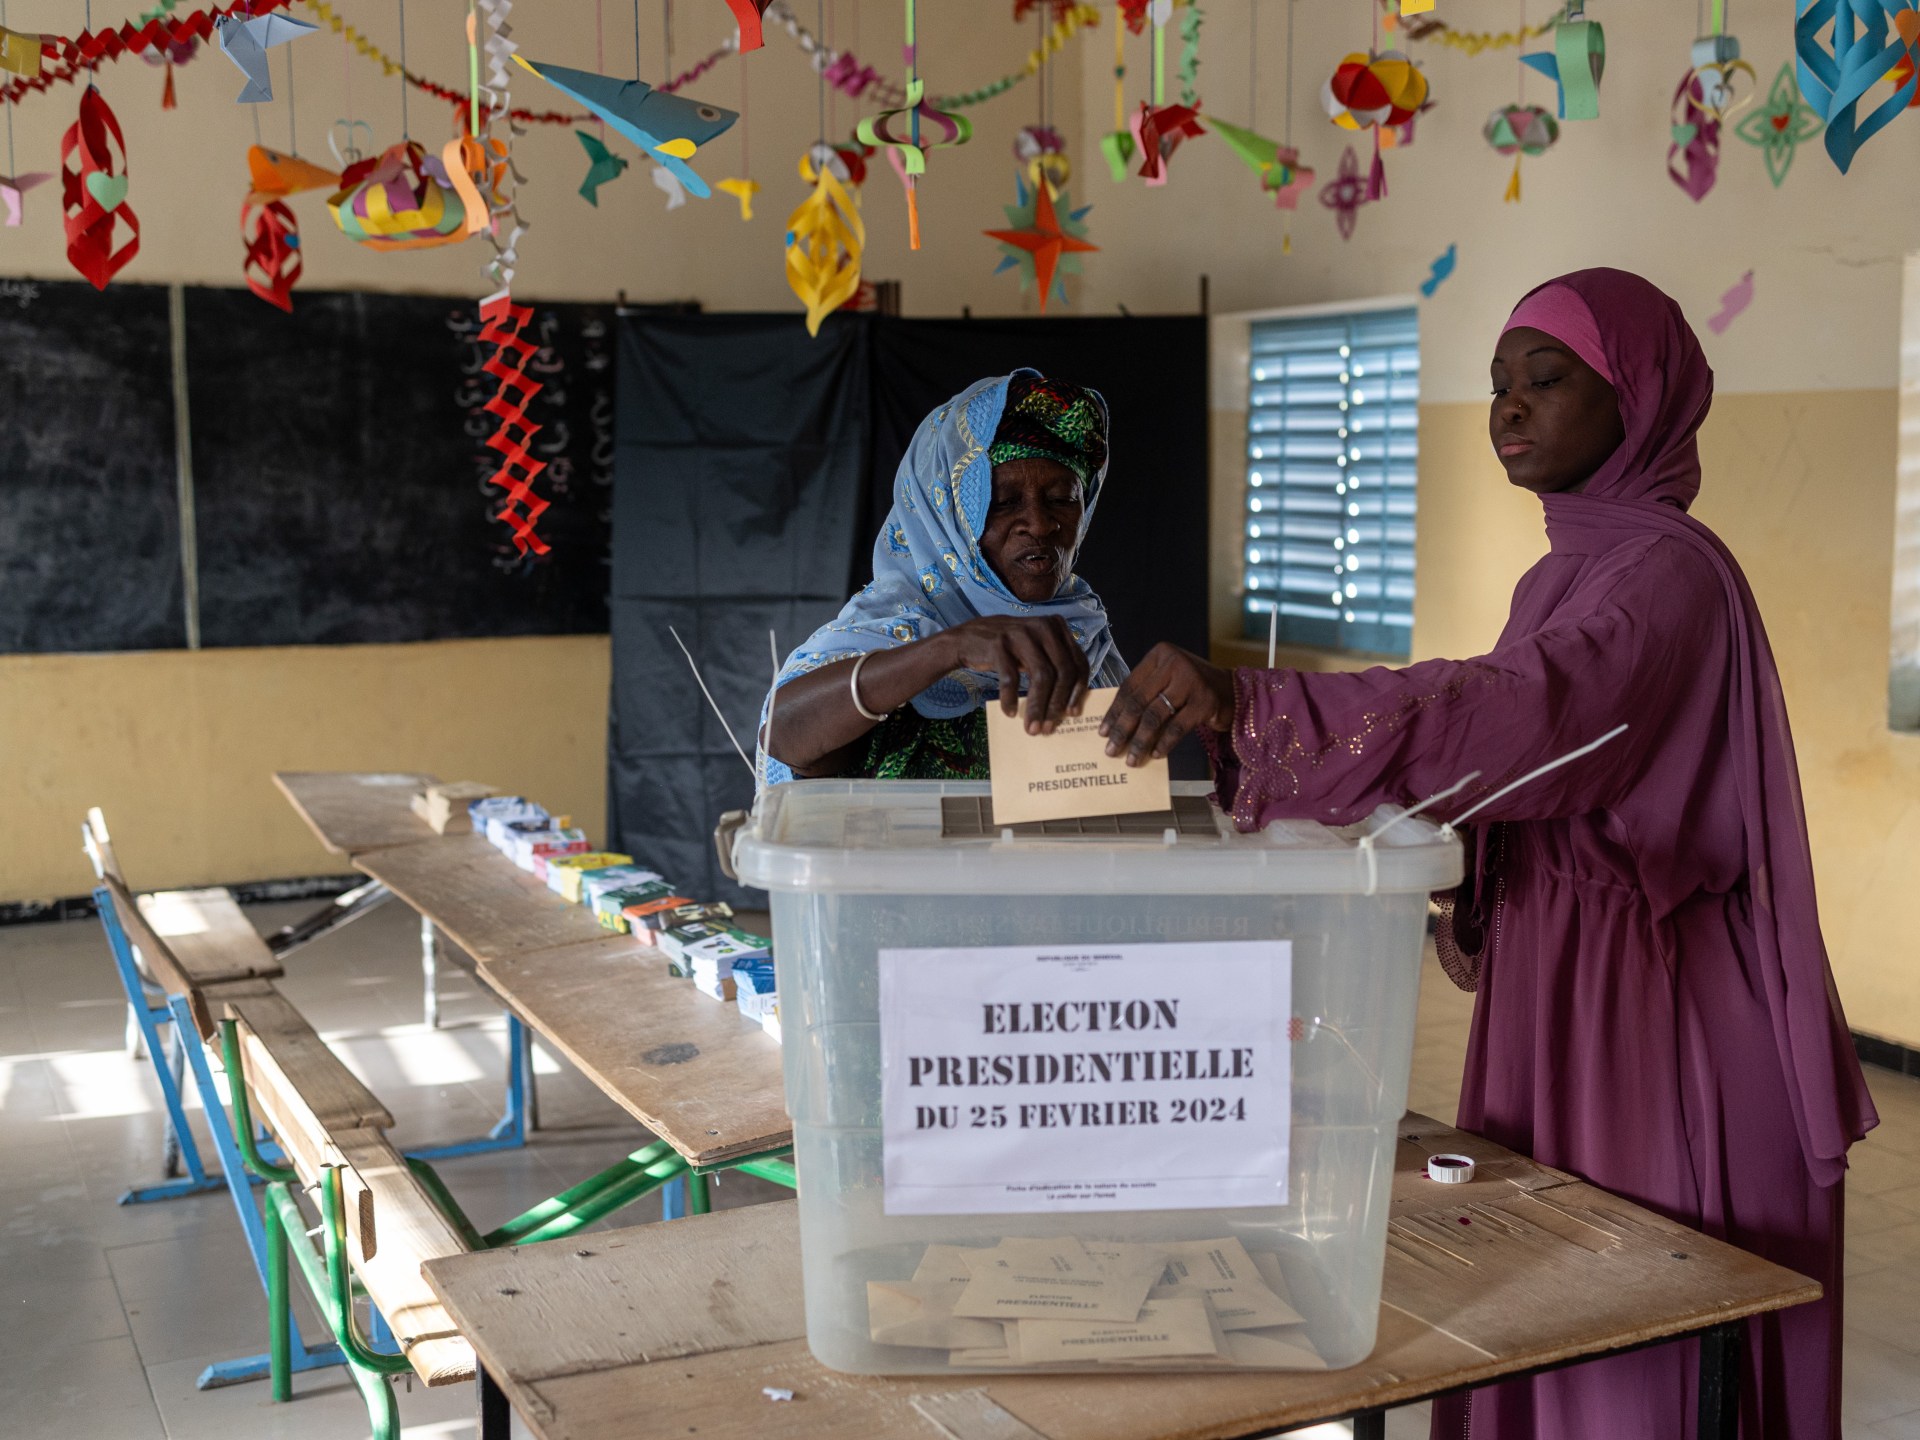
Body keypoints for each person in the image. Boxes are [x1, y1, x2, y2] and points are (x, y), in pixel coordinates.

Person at [1100, 269, 1877, 1438]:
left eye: (1546, 381)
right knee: (1537, 1291)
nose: (1509, 409)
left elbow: (1531, 714)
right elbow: (1505, 757)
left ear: (1637, 397)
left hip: (1654, 1011)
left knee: (1619, 1311)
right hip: (1569, 979)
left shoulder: (1668, 574)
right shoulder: (1571, 567)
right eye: (1498, 387)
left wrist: (1262, 707)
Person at [760, 370, 1123, 783]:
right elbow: (784, 734)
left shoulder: (1084, 634)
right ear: (946, 517)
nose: (1039, 525)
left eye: (1062, 499)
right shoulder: (889, 635)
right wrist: (949, 648)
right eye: (1002, 502)